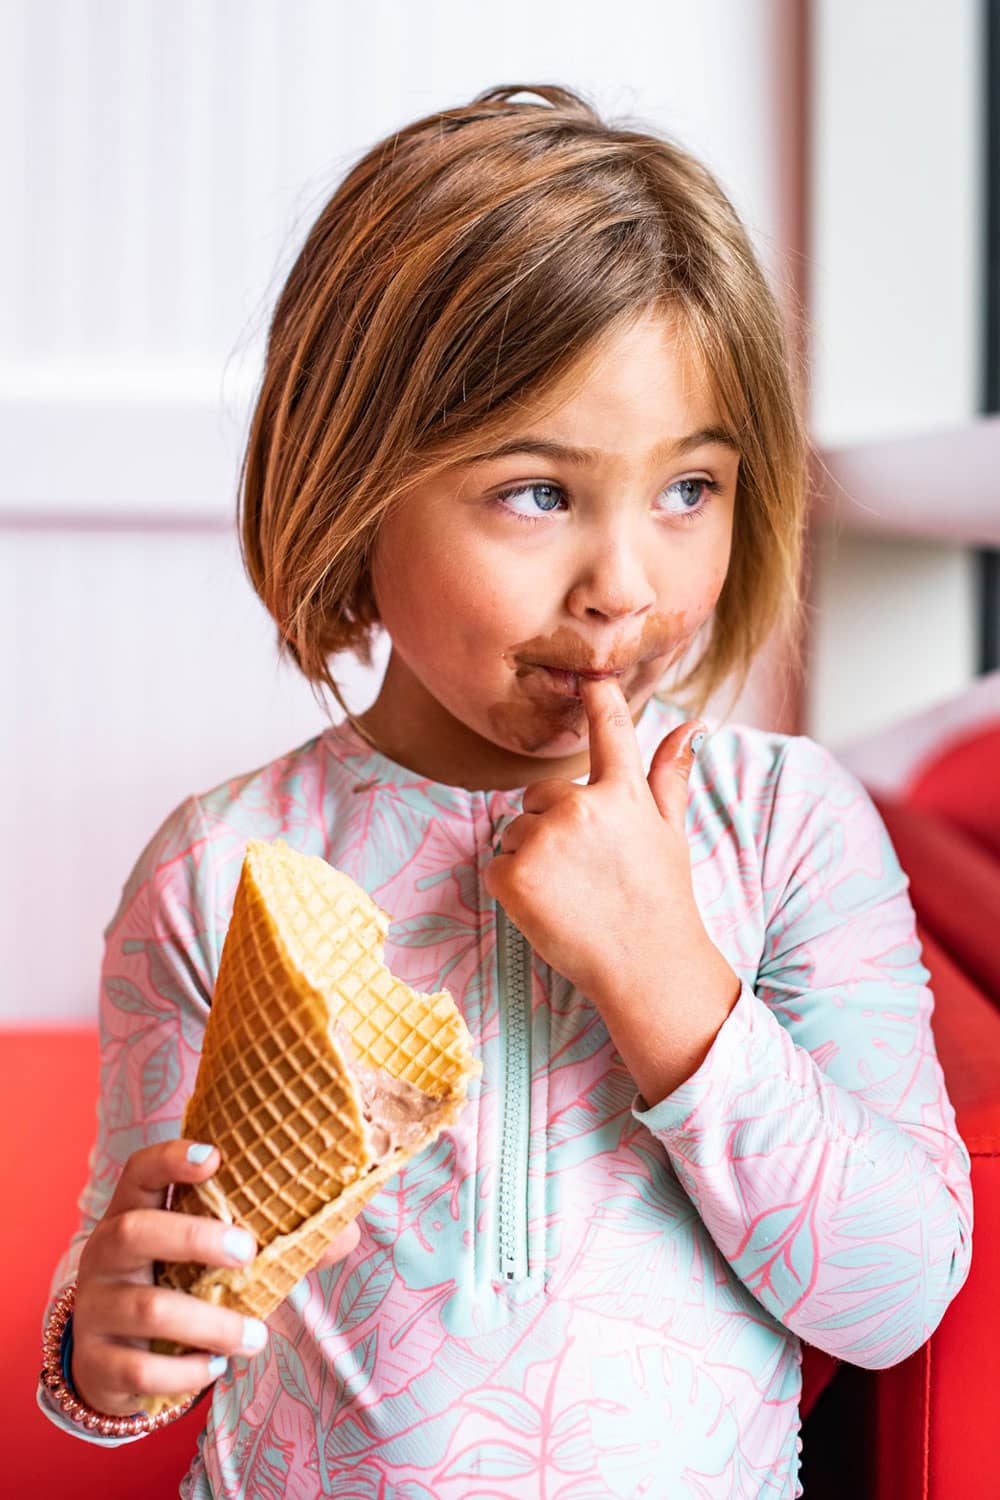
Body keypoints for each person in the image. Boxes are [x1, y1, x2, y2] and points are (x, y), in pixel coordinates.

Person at [38, 82, 972, 1499]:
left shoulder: (786, 826)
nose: (626, 586)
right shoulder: (221, 866)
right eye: (538, 492)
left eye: (689, 491)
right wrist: (100, 1356)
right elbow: (168, 1276)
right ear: (356, 492)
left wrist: (668, 977)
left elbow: (894, 1293)